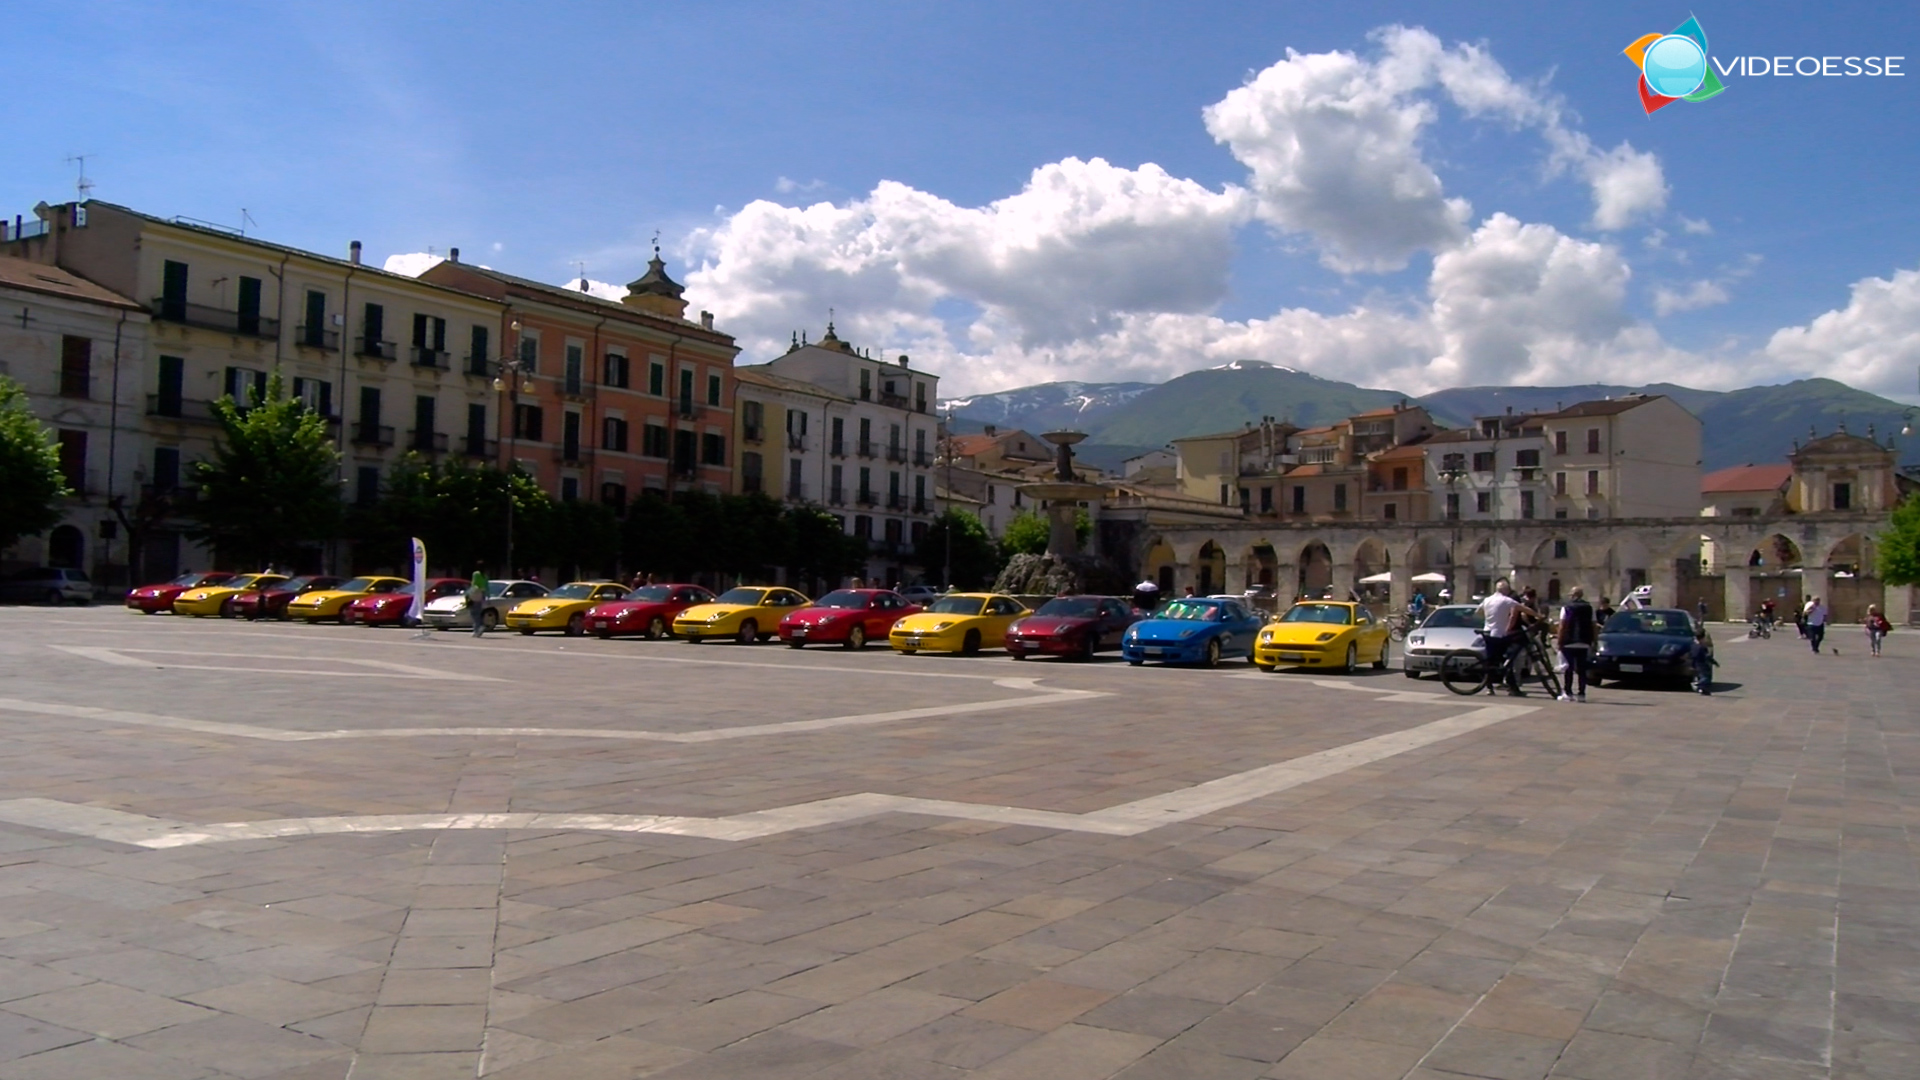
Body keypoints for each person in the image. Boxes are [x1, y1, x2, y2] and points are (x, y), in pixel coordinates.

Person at [1477, 578, 1530, 697]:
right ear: (1505, 590)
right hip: (1499, 634)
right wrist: (1539, 616)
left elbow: (1478, 612)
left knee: (1493, 661)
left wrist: (1488, 620)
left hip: (1488, 632)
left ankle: (1490, 688)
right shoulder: (1507, 600)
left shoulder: (1487, 600)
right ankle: (1513, 688)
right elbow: (1524, 609)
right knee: (1507, 661)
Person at [1555, 586, 1595, 703]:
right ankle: (1581, 693)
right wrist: (1594, 641)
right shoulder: (1589, 608)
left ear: (1573, 595)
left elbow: (1563, 625)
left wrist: (1559, 640)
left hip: (1569, 641)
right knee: (1582, 669)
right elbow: (1593, 625)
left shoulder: (1567, 607)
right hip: (1584, 641)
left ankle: (1568, 693)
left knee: (1569, 668)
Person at [1690, 629, 1715, 695]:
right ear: (1703, 638)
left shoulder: (1695, 645)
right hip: (1701, 664)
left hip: (1700, 664)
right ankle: (1698, 685)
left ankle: (1702, 689)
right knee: (1705, 677)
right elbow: (1703, 656)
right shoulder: (1699, 647)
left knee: (1703, 677)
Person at [466, 569, 490, 638]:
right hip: (482, 595)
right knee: (478, 612)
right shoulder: (485, 576)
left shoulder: (476, 574)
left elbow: (474, 584)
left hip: (475, 593)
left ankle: (477, 629)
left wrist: (469, 594)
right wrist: (487, 596)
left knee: (473, 613)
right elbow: (487, 586)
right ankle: (478, 628)